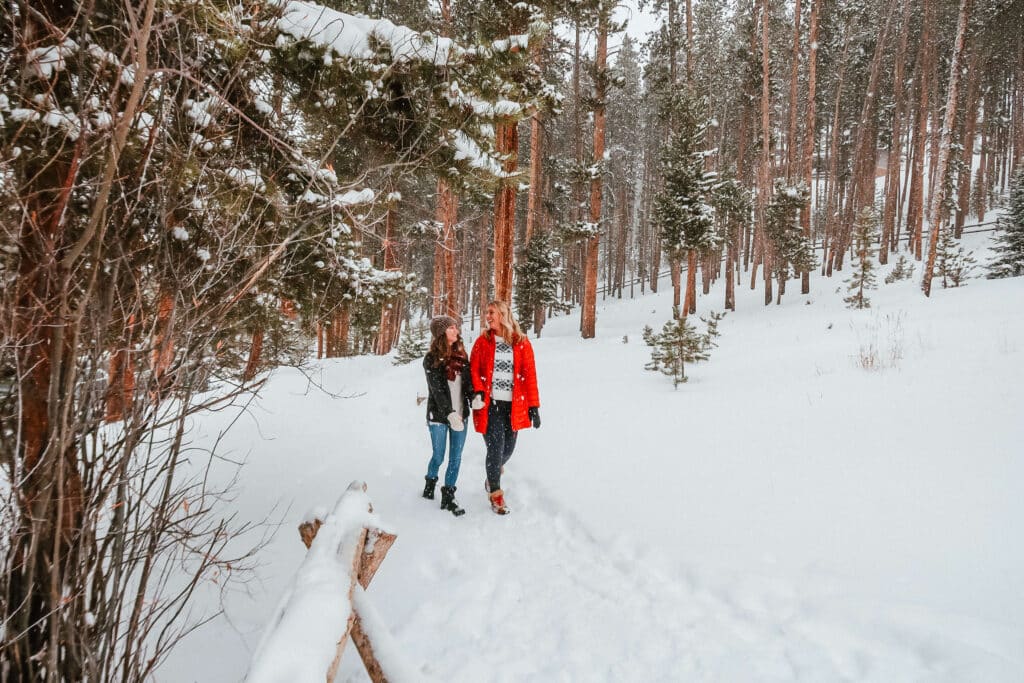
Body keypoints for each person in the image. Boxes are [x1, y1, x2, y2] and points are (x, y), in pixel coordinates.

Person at [469, 300, 540, 515]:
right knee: (495, 447)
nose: (487, 316)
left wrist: (534, 406)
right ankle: (496, 493)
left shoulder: (521, 342)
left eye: (491, 312)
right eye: (486, 312)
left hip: (514, 406)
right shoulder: (483, 342)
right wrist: (479, 390)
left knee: (507, 450)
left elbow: (529, 376)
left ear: (502, 314)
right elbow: (474, 370)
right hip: (490, 406)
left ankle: (493, 474)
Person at [422, 315, 471, 516]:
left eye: (455, 327)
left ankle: (448, 495)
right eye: (451, 328)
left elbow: (467, 383)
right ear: (442, 333)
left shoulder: (462, 356)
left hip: (461, 415)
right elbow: (437, 391)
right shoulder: (431, 359)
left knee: (455, 457)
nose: (456, 331)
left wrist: (475, 396)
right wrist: (449, 413)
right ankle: (431, 480)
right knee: (439, 455)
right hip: (439, 417)